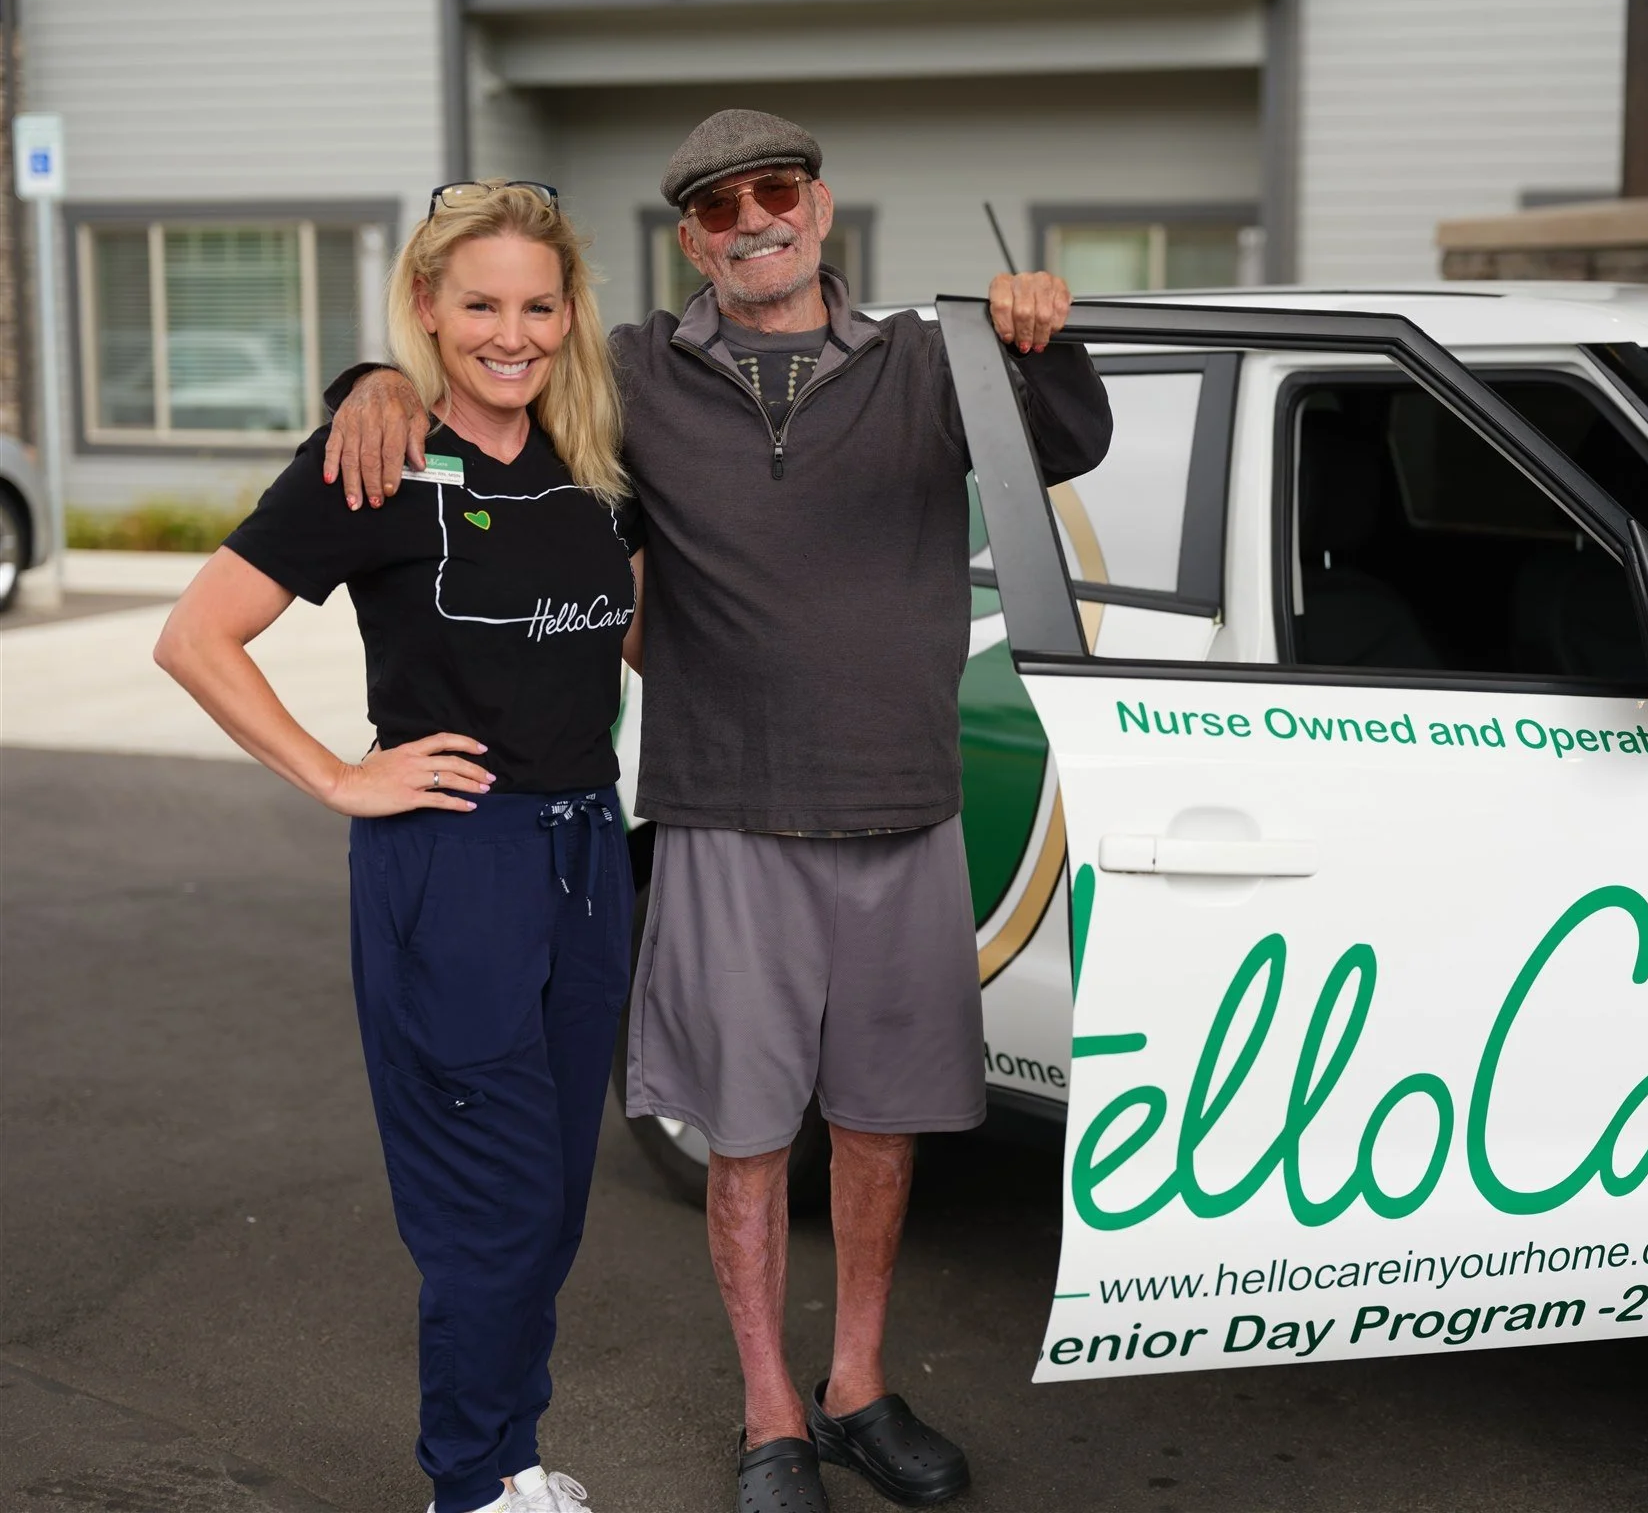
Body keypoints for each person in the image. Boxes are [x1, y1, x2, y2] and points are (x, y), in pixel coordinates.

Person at [326, 109, 1113, 1512]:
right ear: (690, 240)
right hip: (724, 810)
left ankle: (857, 1387)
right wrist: (369, 383)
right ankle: (771, 1416)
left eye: (776, 191)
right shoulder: (630, 373)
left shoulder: (928, 362)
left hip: (902, 805)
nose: (754, 220)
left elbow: (1075, 443)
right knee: (747, 1136)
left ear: (819, 205)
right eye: (718, 206)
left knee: (880, 1125)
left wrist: (1044, 334)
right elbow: (490, 373)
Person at [156, 181, 641, 1513]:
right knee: (490, 1202)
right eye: (479, 304)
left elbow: (643, 638)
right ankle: (468, 1486)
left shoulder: (596, 466)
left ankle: (512, 1458)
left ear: (570, 314)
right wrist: (334, 774)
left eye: (537, 305)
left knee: (552, 1199)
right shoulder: (375, 455)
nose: (510, 334)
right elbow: (196, 637)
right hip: (456, 857)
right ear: (426, 307)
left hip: (587, 854)